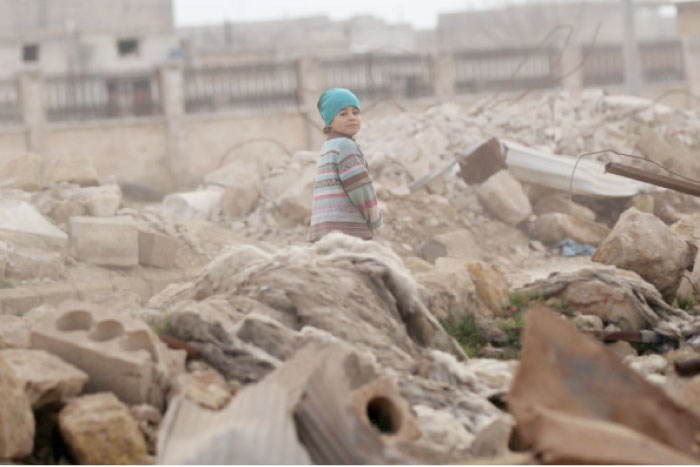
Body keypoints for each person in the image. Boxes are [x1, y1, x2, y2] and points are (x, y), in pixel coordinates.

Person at [308, 88, 383, 242]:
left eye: (355, 112)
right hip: (347, 233)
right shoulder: (345, 147)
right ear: (329, 120)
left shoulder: (328, 146)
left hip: (323, 231)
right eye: (343, 114)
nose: (352, 118)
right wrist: (375, 220)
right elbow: (361, 190)